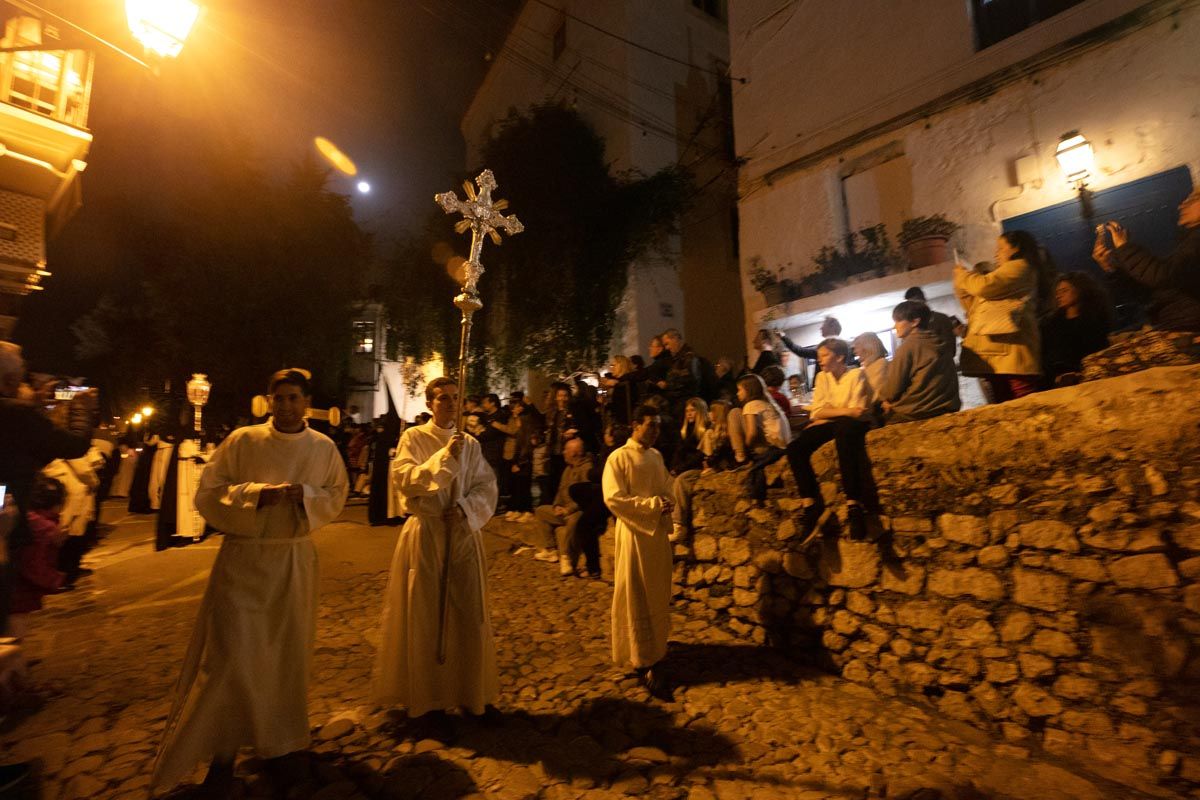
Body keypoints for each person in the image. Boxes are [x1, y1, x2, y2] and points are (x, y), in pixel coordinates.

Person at [151, 369, 349, 798]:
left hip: (292, 559)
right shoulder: (243, 441)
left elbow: (336, 493)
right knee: (231, 661)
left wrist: (306, 497)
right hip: (243, 562)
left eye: (295, 398)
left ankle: (281, 747)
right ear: (269, 400)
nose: (287, 406)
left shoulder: (323, 448)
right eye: (280, 398)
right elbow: (208, 491)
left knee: (286, 657)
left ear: (306, 401)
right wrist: (256, 494)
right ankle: (220, 759)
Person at [373, 376, 499, 721]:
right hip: (428, 534)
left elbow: (486, 486)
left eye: (455, 398)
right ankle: (429, 699)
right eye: (442, 398)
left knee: (468, 614)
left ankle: (468, 692)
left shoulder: (470, 444)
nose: (449, 403)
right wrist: (445, 458)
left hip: (461, 533)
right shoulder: (413, 438)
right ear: (430, 403)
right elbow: (407, 480)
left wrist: (465, 510)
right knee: (427, 615)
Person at [0, 341, 95, 639]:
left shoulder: (18, 415)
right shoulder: (17, 416)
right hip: (5, 518)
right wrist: (83, 412)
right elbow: (72, 445)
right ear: (11, 380)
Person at [603, 405, 675, 700]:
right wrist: (653, 507)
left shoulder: (656, 457)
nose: (655, 431)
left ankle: (656, 650)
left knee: (656, 591)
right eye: (650, 425)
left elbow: (666, 487)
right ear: (635, 425)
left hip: (655, 535)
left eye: (658, 426)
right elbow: (614, 498)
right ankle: (640, 657)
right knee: (636, 592)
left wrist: (667, 503)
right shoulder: (618, 458)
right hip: (634, 533)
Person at [784, 338, 881, 545]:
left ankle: (854, 504)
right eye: (818, 356)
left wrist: (828, 414)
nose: (820, 360)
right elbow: (818, 412)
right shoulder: (822, 378)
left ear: (839, 357)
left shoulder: (856, 374)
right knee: (795, 448)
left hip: (855, 424)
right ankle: (810, 505)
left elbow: (859, 412)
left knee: (845, 436)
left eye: (824, 355)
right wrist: (843, 411)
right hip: (837, 421)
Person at [955, 231, 1047, 402]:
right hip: (1000, 355)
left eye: (1000, 248)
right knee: (1006, 406)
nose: (996, 253)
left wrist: (964, 276)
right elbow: (973, 307)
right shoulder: (1003, 275)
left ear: (1016, 248)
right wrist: (961, 285)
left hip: (1013, 353)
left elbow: (983, 286)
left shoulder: (1020, 266)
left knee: (1023, 404)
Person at [1093, 189, 1200, 332]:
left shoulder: (1195, 242)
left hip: (1189, 326)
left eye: (1192, 199)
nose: (1181, 205)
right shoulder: (1187, 244)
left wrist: (1124, 247)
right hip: (1174, 324)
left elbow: (1162, 276)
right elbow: (1147, 293)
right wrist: (1111, 268)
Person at [878, 301, 961, 424]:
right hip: (947, 405)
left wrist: (884, 399)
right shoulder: (939, 341)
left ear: (915, 322)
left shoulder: (909, 346)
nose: (894, 327)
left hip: (919, 410)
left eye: (898, 321)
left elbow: (892, 389)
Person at [9, 475, 67, 638]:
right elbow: (33, 562)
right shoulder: (43, 528)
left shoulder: (31, 519)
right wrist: (53, 579)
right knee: (15, 626)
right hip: (18, 589)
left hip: (16, 585)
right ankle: (14, 659)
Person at [528, 437, 594, 575]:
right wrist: (557, 505)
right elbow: (560, 490)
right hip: (563, 510)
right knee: (541, 511)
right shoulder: (567, 469)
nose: (563, 452)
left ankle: (566, 557)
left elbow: (586, 497)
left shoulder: (587, 469)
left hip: (578, 511)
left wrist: (569, 509)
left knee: (574, 519)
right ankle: (550, 550)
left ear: (574, 453)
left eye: (566, 450)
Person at [1040, 271, 1114, 386]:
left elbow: (1099, 351)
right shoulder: (1050, 325)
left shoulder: (1094, 321)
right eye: (1057, 292)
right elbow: (1046, 357)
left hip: (1093, 378)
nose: (1059, 296)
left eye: (1064, 290)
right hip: (1057, 382)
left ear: (1079, 289)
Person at [729, 374, 791, 504]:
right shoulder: (768, 403)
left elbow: (752, 432)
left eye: (740, 389)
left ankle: (740, 456)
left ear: (749, 390)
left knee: (734, 413)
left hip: (770, 448)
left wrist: (746, 446)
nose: (737, 393)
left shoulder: (751, 405)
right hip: (783, 447)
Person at [904, 286, 960, 358]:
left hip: (943, 366)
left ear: (923, 300)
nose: (914, 307)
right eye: (911, 304)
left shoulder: (941, 319)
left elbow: (951, 350)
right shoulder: (912, 325)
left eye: (916, 302)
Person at [851, 332, 890, 417]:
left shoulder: (881, 364)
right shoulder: (866, 366)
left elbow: (877, 394)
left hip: (875, 412)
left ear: (867, 348)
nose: (855, 352)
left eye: (857, 347)